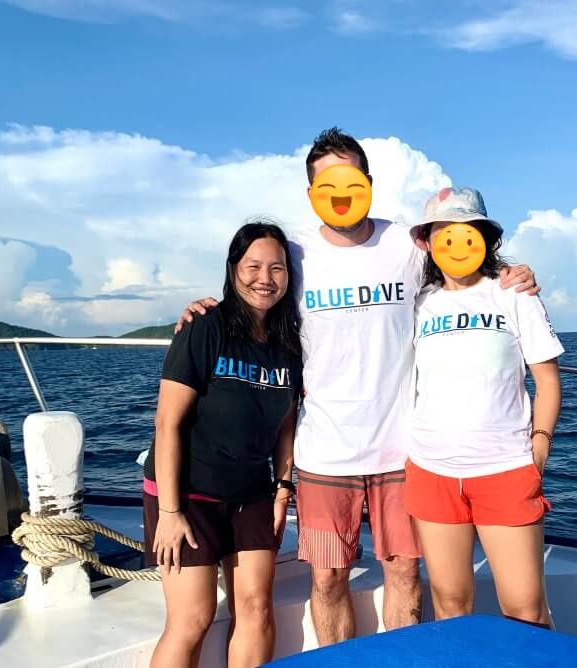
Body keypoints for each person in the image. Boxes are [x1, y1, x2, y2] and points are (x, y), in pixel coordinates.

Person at [178, 128, 540, 646]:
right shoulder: (293, 255)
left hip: (404, 451)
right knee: (326, 581)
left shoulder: (405, 244)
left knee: (403, 575)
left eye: (352, 180)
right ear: (310, 193)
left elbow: (461, 261)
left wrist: (512, 272)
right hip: (325, 453)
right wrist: (201, 309)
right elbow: (250, 293)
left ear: (369, 182)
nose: (342, 193)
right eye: (328, 183)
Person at [143, 222, 303, 668]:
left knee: (256, 609)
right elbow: (167, 423)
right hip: (188, 492)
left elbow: (287, 421)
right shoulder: (204, 328)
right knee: (192, 619)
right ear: (233, 270)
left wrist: (282, 488)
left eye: (277, 268)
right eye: (253, 266)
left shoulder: (288, 343)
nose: (264, 279)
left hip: (251, 492)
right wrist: (171, 515)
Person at [405, 186, 562, 628]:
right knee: (450, 603)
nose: (456, 243)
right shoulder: (418, 304)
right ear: (427, 242)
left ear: (485, 239)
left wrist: (540, 446)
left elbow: (547, 380)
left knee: (525, 607)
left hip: (504, 469)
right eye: (444, 233)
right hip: (432, 470)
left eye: (468, 231)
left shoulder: (513, 293)